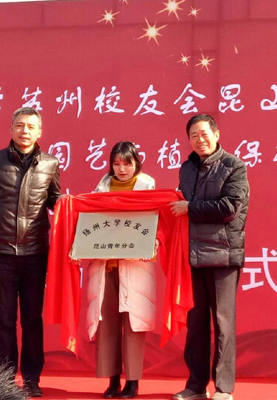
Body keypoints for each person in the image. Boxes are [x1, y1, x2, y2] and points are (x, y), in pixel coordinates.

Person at [0, 107, 61, 398]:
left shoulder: (50, 163)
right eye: (20, 125)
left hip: (35, 252)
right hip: (1, 251)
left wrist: (71, 206)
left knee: (32, 318)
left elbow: (55, 201)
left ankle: (32, 378)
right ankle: (4, 379)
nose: (25, 131)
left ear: (40, 132)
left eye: (31, 126)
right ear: (10, 129)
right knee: (5, 318)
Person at [170, 114, 249, 400]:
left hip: (223, 255)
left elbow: (230, 207)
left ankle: (224, 388)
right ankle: (196, 386)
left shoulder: (233, 166)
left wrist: (190, 208)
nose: (199, 140)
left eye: (204, 133)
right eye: (193, 135)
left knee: (223, 324)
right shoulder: (187, 168)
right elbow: (179, 206)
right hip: (193, 256)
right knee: (196, 324)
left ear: (216, 134)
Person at [86, 141, 156, 399]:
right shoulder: (101, 188)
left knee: (134, 324)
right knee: (107, 324)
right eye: (116, 163)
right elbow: (88, 222)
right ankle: (112, 380)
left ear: (137, 163)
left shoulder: (148, 188)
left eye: (127, 163)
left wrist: (152, 243)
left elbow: (157, 225)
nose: (122, 169)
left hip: (136, 266)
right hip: (105, 266)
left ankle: (133, 382)